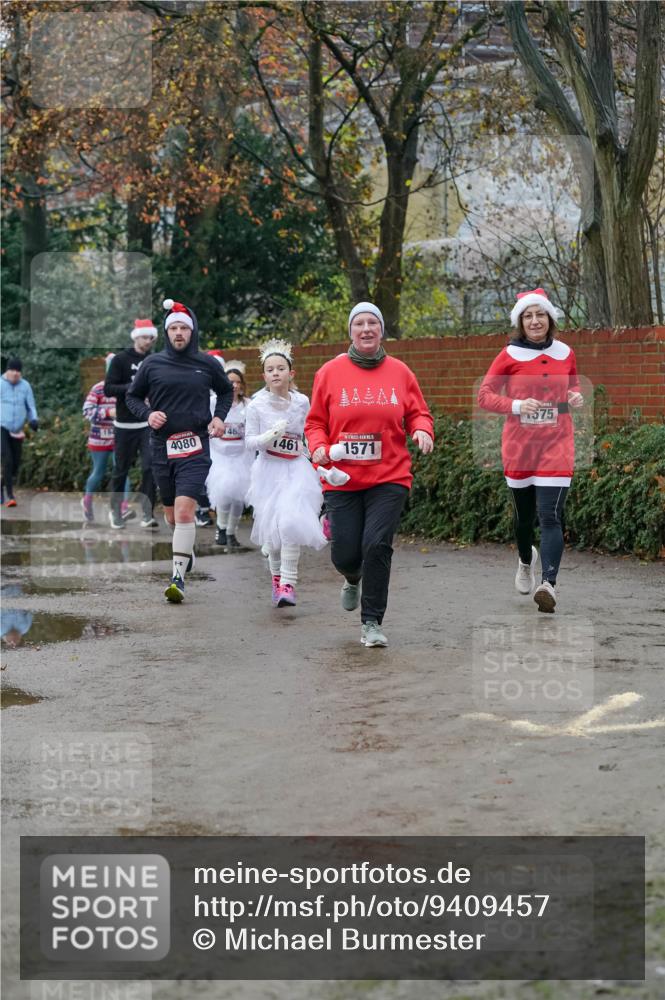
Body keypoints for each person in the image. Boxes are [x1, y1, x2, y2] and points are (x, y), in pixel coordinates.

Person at [305, 302, 434, 648]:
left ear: (381, 330)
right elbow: (315, 422)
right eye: (359, 323)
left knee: (377, 545)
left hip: (388, 476)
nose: (366, 329)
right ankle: (351, 576)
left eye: (372, 323)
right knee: (346, 553)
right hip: (341, 478)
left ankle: (372, 622)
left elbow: (419, 413)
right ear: (350, 331)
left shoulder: (401, 372)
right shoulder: (329, 373)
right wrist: (317, 446)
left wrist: (422, 430)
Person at [477, 288, 583, 613]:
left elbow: (574, 385)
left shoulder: (566, 352)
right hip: (520, 447)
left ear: (549, 318)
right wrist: (518, 405)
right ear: (520, 322)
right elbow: (484, 395)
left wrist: (576, 397)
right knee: (524, 520)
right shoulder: (508, 355)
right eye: (528, 315)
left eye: (540, 314)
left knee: (550, 515)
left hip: (557, 444)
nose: (535, 321)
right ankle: (526, 559)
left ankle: (548, 584)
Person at [126, 298, 233, 602]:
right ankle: (184, 552)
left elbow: (225, 392)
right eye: (172, 328)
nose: (178, 333)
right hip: (162, 447)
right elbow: (133, 398)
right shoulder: (152, 364)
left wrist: (218, 417)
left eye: (183, 328)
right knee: (172, 517)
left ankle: (177, 578)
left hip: (196, 447)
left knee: (186, 511)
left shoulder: (206, 364)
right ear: (167, 333)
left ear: (192, 332)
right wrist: (147, 415)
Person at [245, 339, 327, 608]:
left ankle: (289, 584)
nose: (276, 373)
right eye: (270, 369)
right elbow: (249, 442)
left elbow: (309, 432)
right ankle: (276, 580)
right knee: (272, 533)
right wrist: (269, 436)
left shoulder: (302, 402)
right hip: (269, 470)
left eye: (281, 368)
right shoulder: (256, 405)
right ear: (264, 376)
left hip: (295, 468)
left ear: (291, 373)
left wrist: (316, 456)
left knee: (291, 522)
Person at [104, 319, 158, 529]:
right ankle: (115, 512)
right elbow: (108, 389)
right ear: (136, 337)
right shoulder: (120, 359)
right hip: (124, 425)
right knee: (121, 470)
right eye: (145, 337)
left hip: (147, 423)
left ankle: (148, 514)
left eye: (151, 338)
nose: (148, 341)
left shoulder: (154, 360)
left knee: (149, 468)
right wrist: (133, 388)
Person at [206, 359, 254, 549]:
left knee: (238, 497)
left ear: (241, 385)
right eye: (230, 381)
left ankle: (232, 532)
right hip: (220, 456)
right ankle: (221, 528)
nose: (233, 385)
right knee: (224, 493)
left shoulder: (249, 405)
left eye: (237, 382)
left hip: (242, 457)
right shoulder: (212, 403)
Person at [80, 354, 130, 524]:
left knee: (122, 472)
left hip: (121, 437)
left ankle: (123, 508)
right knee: (99, 471)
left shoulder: (128, 388)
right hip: (99, 438)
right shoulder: (99, 388)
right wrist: (107, 413)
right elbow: (87, 411)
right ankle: (87, 501)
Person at [1, 358, 39, 507]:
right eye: (13, 371)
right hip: (1, 427)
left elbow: (31, 406)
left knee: (15, 464)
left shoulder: (25, 386)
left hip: (17, 429)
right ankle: (10, 496)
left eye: (18, 371)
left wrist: (34, 420)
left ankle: (1, 484)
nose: (16, 374)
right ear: (7, 371)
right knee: (7, 460)